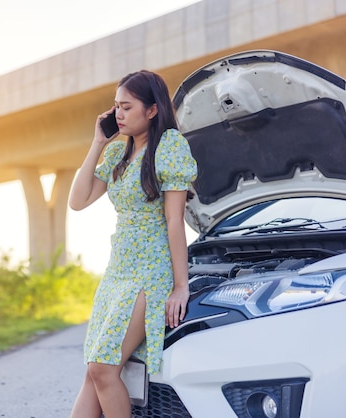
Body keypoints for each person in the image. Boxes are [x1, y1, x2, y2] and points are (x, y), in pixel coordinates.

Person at [68, 70, 197, 418]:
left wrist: (180, 286)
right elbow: (77, 201)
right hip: (117, 271)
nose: (118, 114)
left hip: (148, 272)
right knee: (93, 370)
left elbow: (174, 221)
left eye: (126, 106)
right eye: (115, 107)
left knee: (104, 369)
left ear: (152, 110)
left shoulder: (169, 147)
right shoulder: (117, 156)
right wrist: (98, 143)